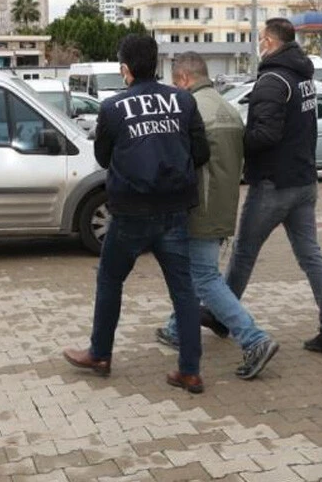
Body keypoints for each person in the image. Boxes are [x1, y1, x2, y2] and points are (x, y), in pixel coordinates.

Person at [62, 34, 211, 393]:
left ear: (125, 69)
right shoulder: (183, 101)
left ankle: (100, 353)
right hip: (174, 210)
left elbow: (102, 157)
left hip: (130, 213)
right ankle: (189, 371)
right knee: (183, 291)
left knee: (111, 280)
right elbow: (202, 152)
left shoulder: (113, 108)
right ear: (157, 64)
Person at [224, 18, 322, 357]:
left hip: (274, 185)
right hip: (304, 181)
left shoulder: (272, 80)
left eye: (261, 39)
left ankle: (223, 315)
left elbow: (264, 135)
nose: (259, 45)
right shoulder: (302, 76)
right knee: (311, 257)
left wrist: (236, 142)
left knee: (244, 254)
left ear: (269, 41)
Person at [155, 52, 280, 380]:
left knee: (204, 277)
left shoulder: (191, 110)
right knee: (195, 271)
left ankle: (254, 338)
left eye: (174, 82)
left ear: (182, 79)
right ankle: (176, 328)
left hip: (199, 208)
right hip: (224, 204)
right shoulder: (228, 108)